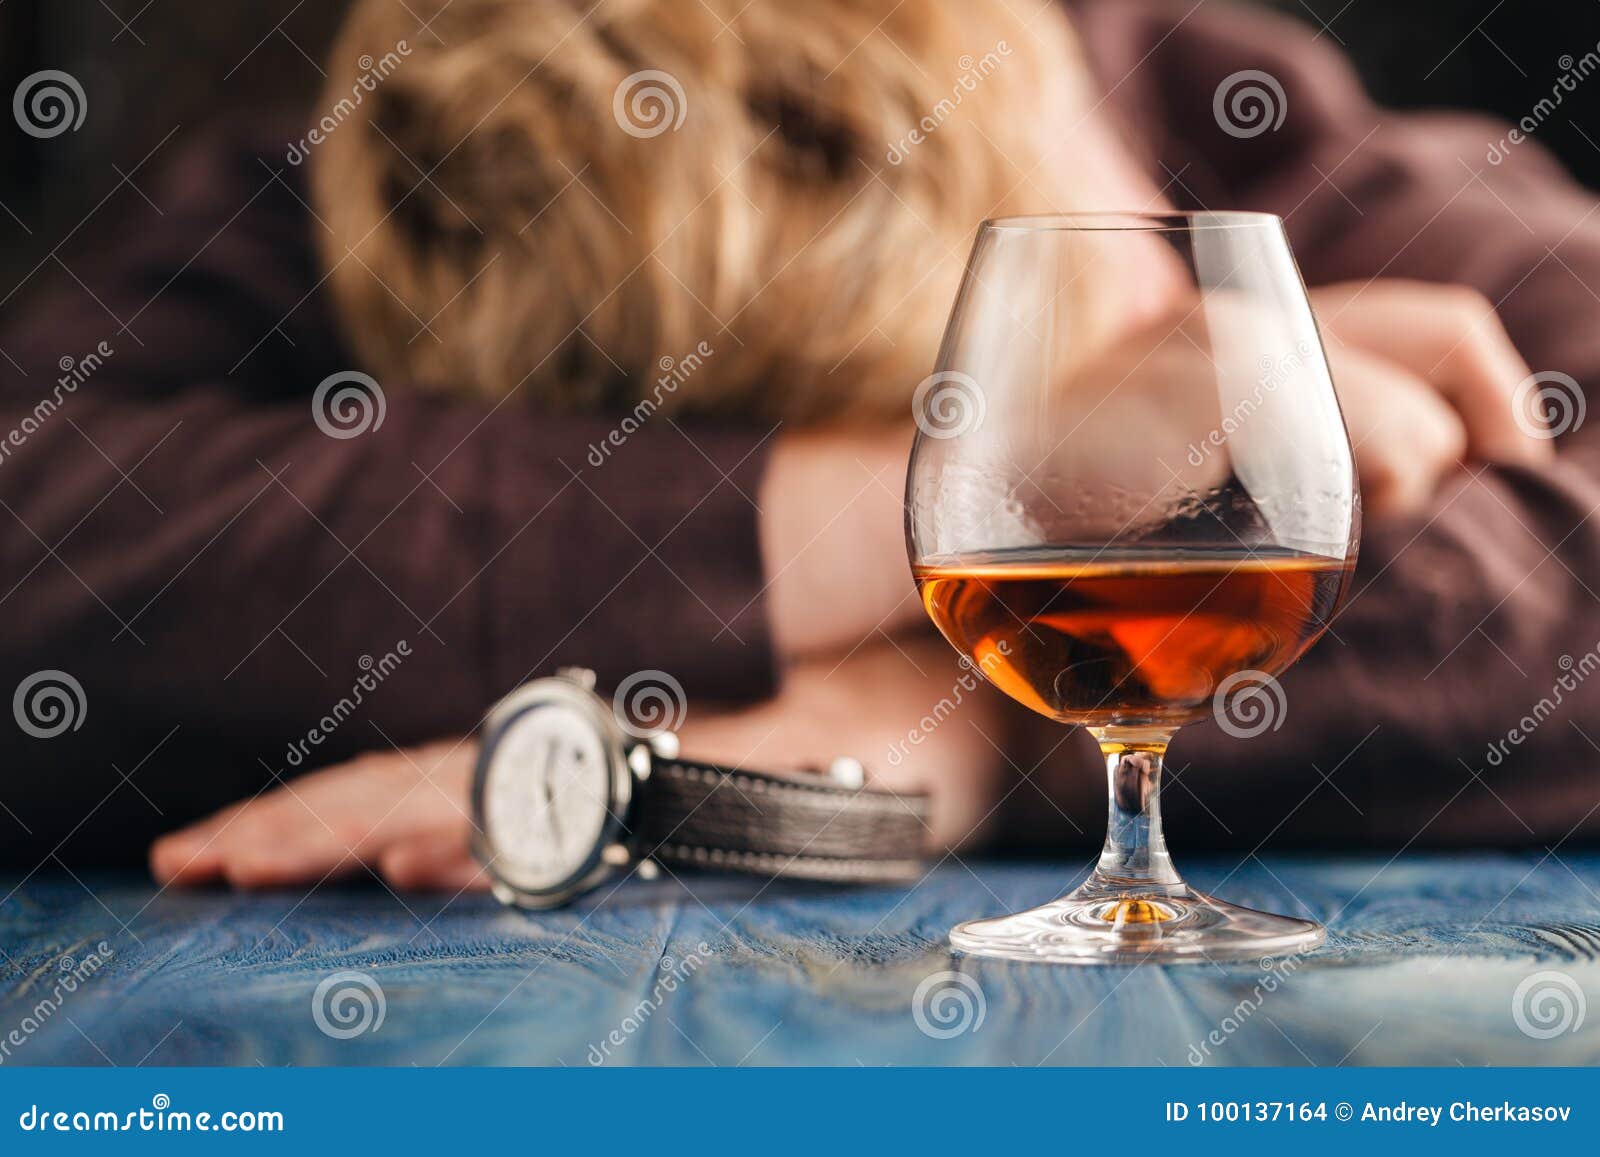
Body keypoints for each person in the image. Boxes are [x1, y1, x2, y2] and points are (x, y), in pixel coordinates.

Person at [1, 0, 1595, 892]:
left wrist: (937, 721)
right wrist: (1017, 479)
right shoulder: (404, 195)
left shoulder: (1237, 123)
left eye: (1030, 337)